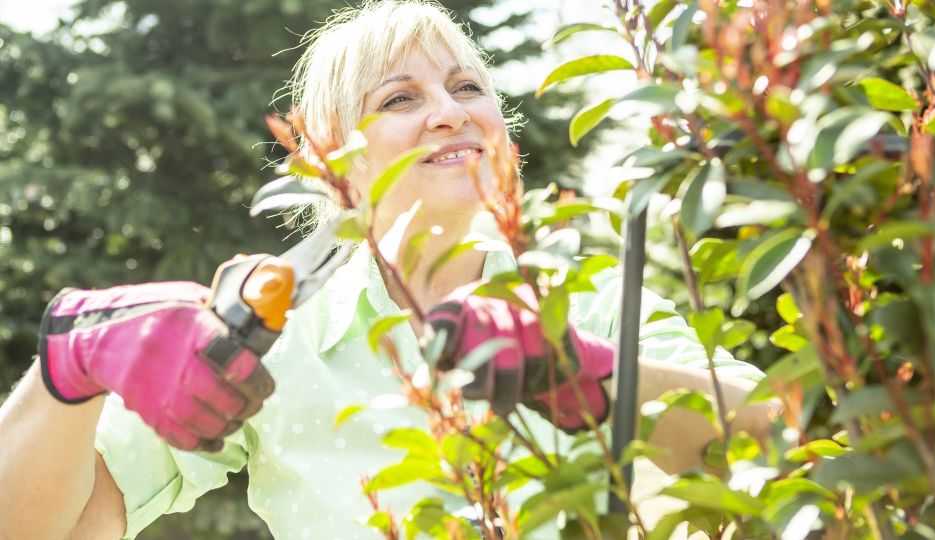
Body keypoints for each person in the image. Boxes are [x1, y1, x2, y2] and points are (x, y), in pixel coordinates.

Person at [0, 1, 773, 539]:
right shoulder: (281, 336)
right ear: (328, 157)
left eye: (468, 87)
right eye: (400, 97)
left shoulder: (590, 299)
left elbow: (785, 444)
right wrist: (66, 371)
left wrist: (590, 375)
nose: (450, 111)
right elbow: (54, 528)